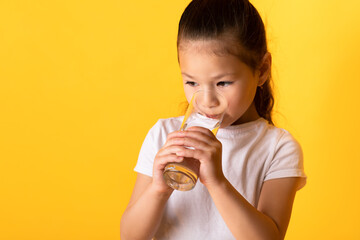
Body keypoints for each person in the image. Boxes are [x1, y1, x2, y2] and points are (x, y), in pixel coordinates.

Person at [120, 0, 306, 239]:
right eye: (192, 82)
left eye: (223, 83)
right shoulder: (164, 135)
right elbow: (130, 236)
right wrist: (158, 189)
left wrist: (217, 182)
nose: (207, 100)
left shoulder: (278, 148)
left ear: (262, 70)